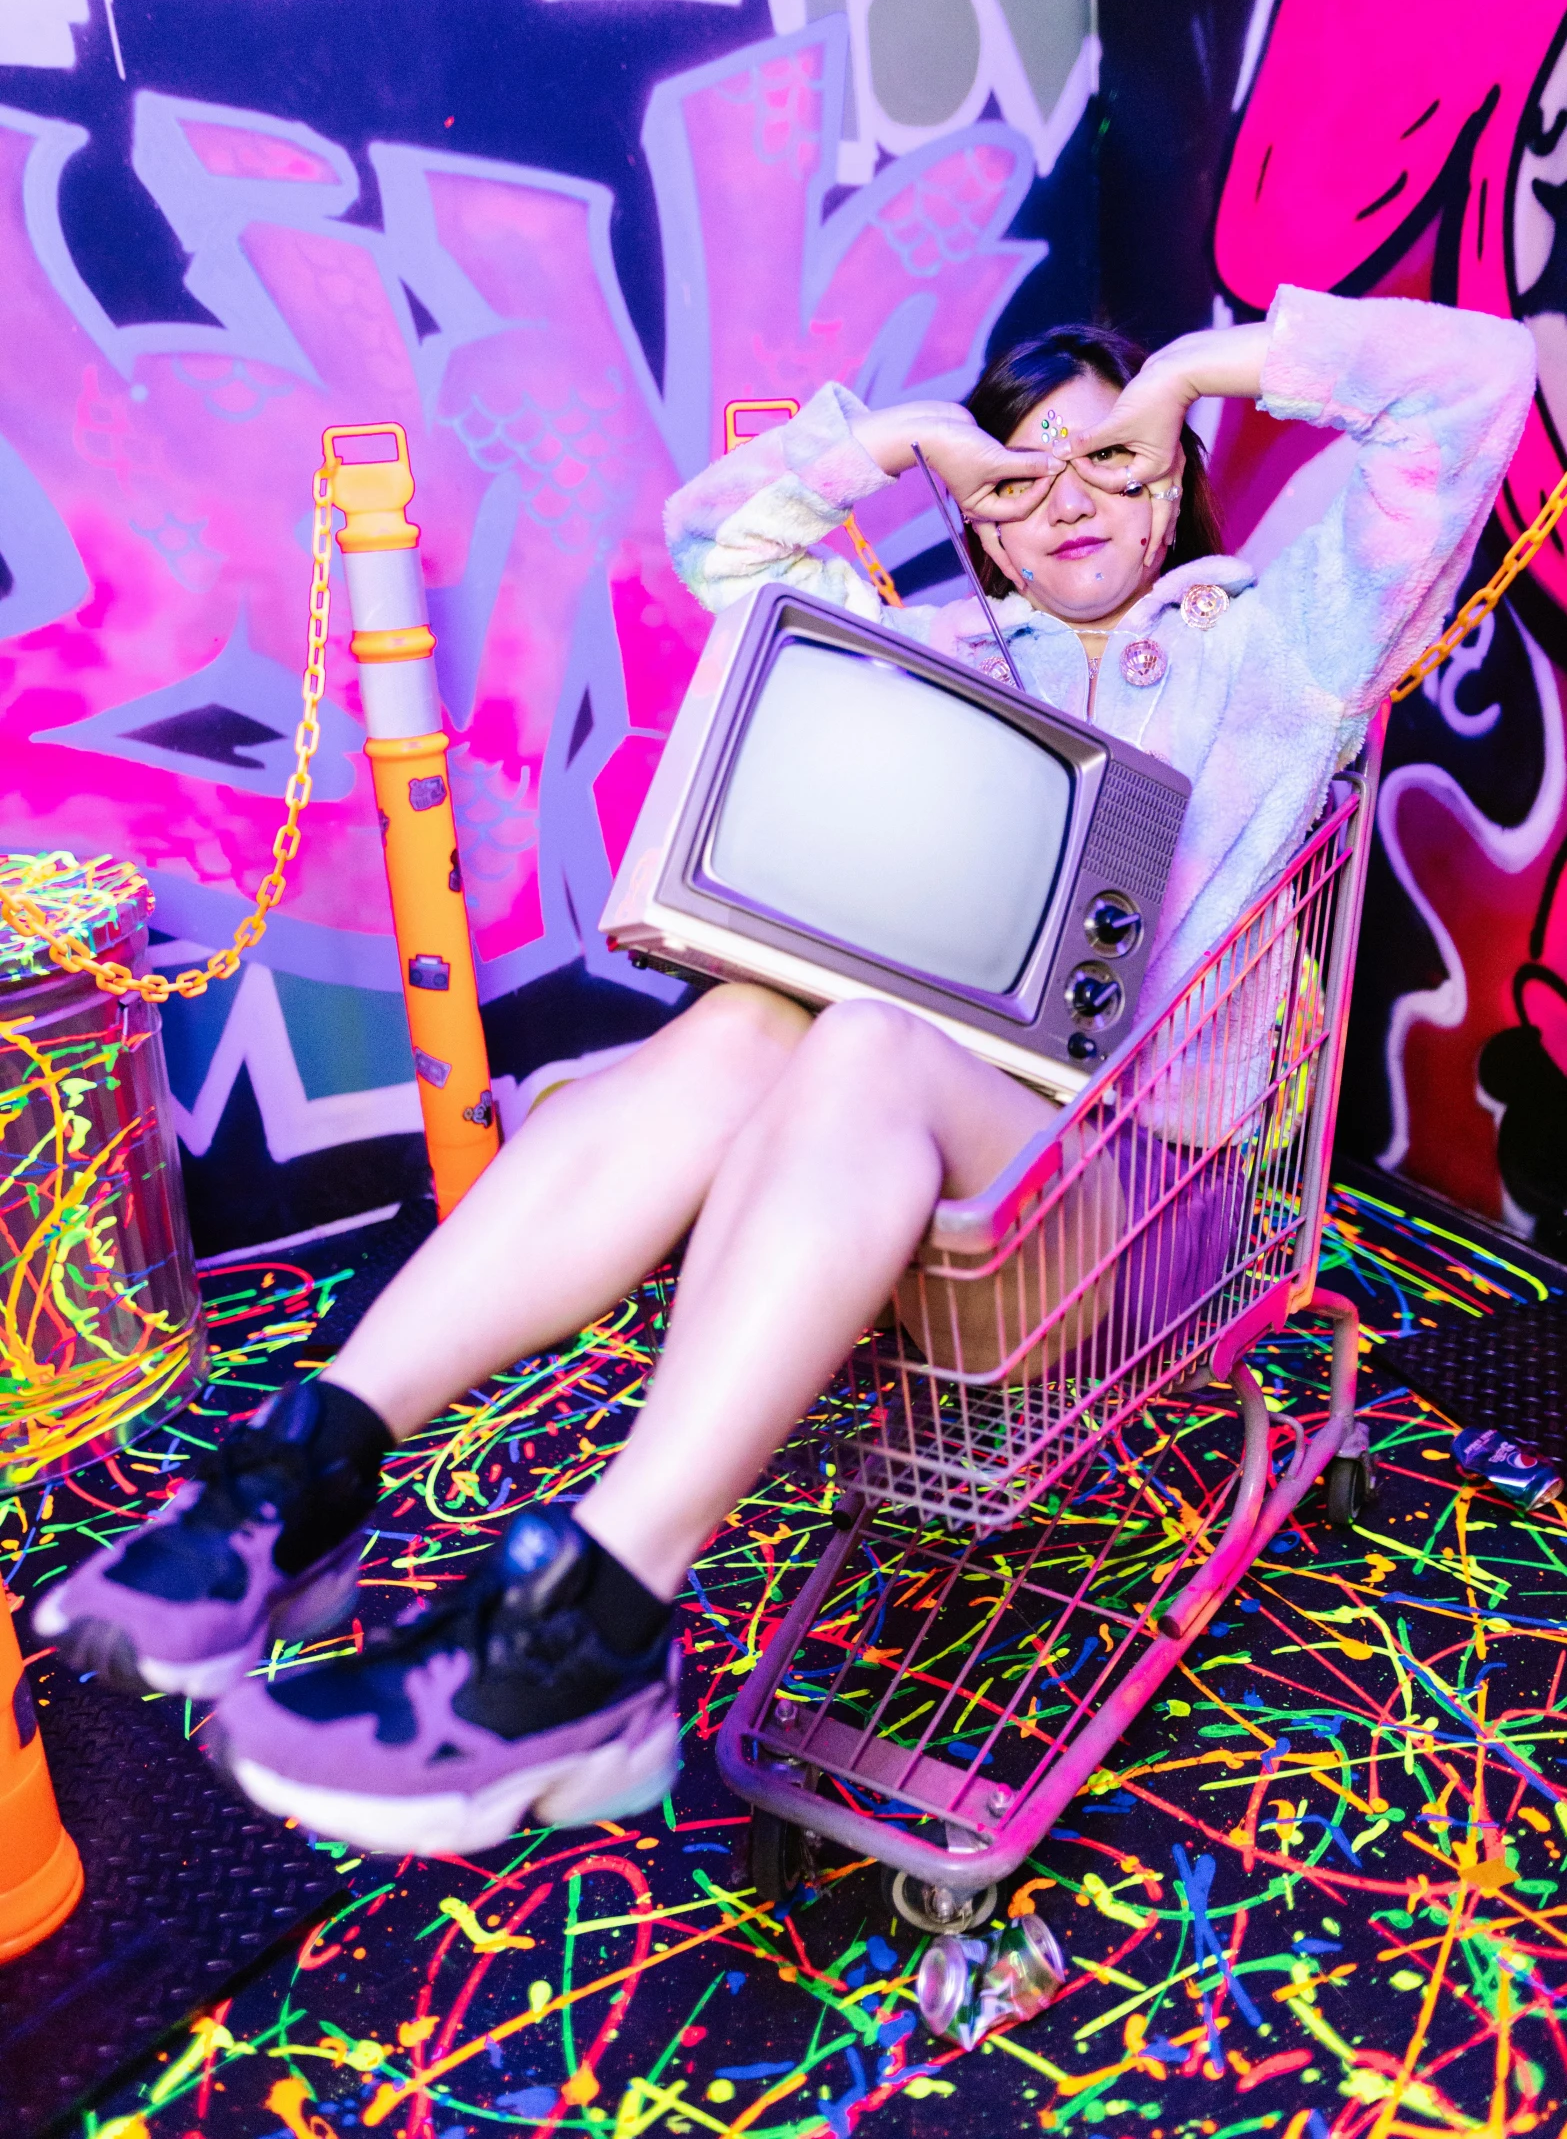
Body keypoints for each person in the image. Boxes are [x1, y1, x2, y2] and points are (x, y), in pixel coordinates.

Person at [34, 285, 1534, 1855]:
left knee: (864, 1033)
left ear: (1171, 478)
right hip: (894, 1178)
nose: (1066, 498)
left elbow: (1473, 377)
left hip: (1136, 1215)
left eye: (1110, 462)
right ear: (981, 524)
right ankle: (312, 1463)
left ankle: (600, 1605)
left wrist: (1190, 374)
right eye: (1018, 477)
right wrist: (899, 442)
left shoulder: (1274, 640)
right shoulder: (946, 653)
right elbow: (723, 546)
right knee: (756, 1015)